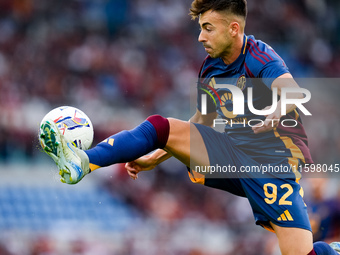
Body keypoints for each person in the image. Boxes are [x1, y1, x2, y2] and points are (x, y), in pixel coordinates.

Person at [39, 0, 339, 254]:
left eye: (208, 28)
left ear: (233, 28)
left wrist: (272, 114)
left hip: (274, 165)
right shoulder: (212, 67)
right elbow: (202, 121)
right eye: (200, 28)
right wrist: (155, 158)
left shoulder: (260, 56)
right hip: (235, 156)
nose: (200, 37)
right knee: (160, 127)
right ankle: (83, 162)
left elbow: (292, 92)